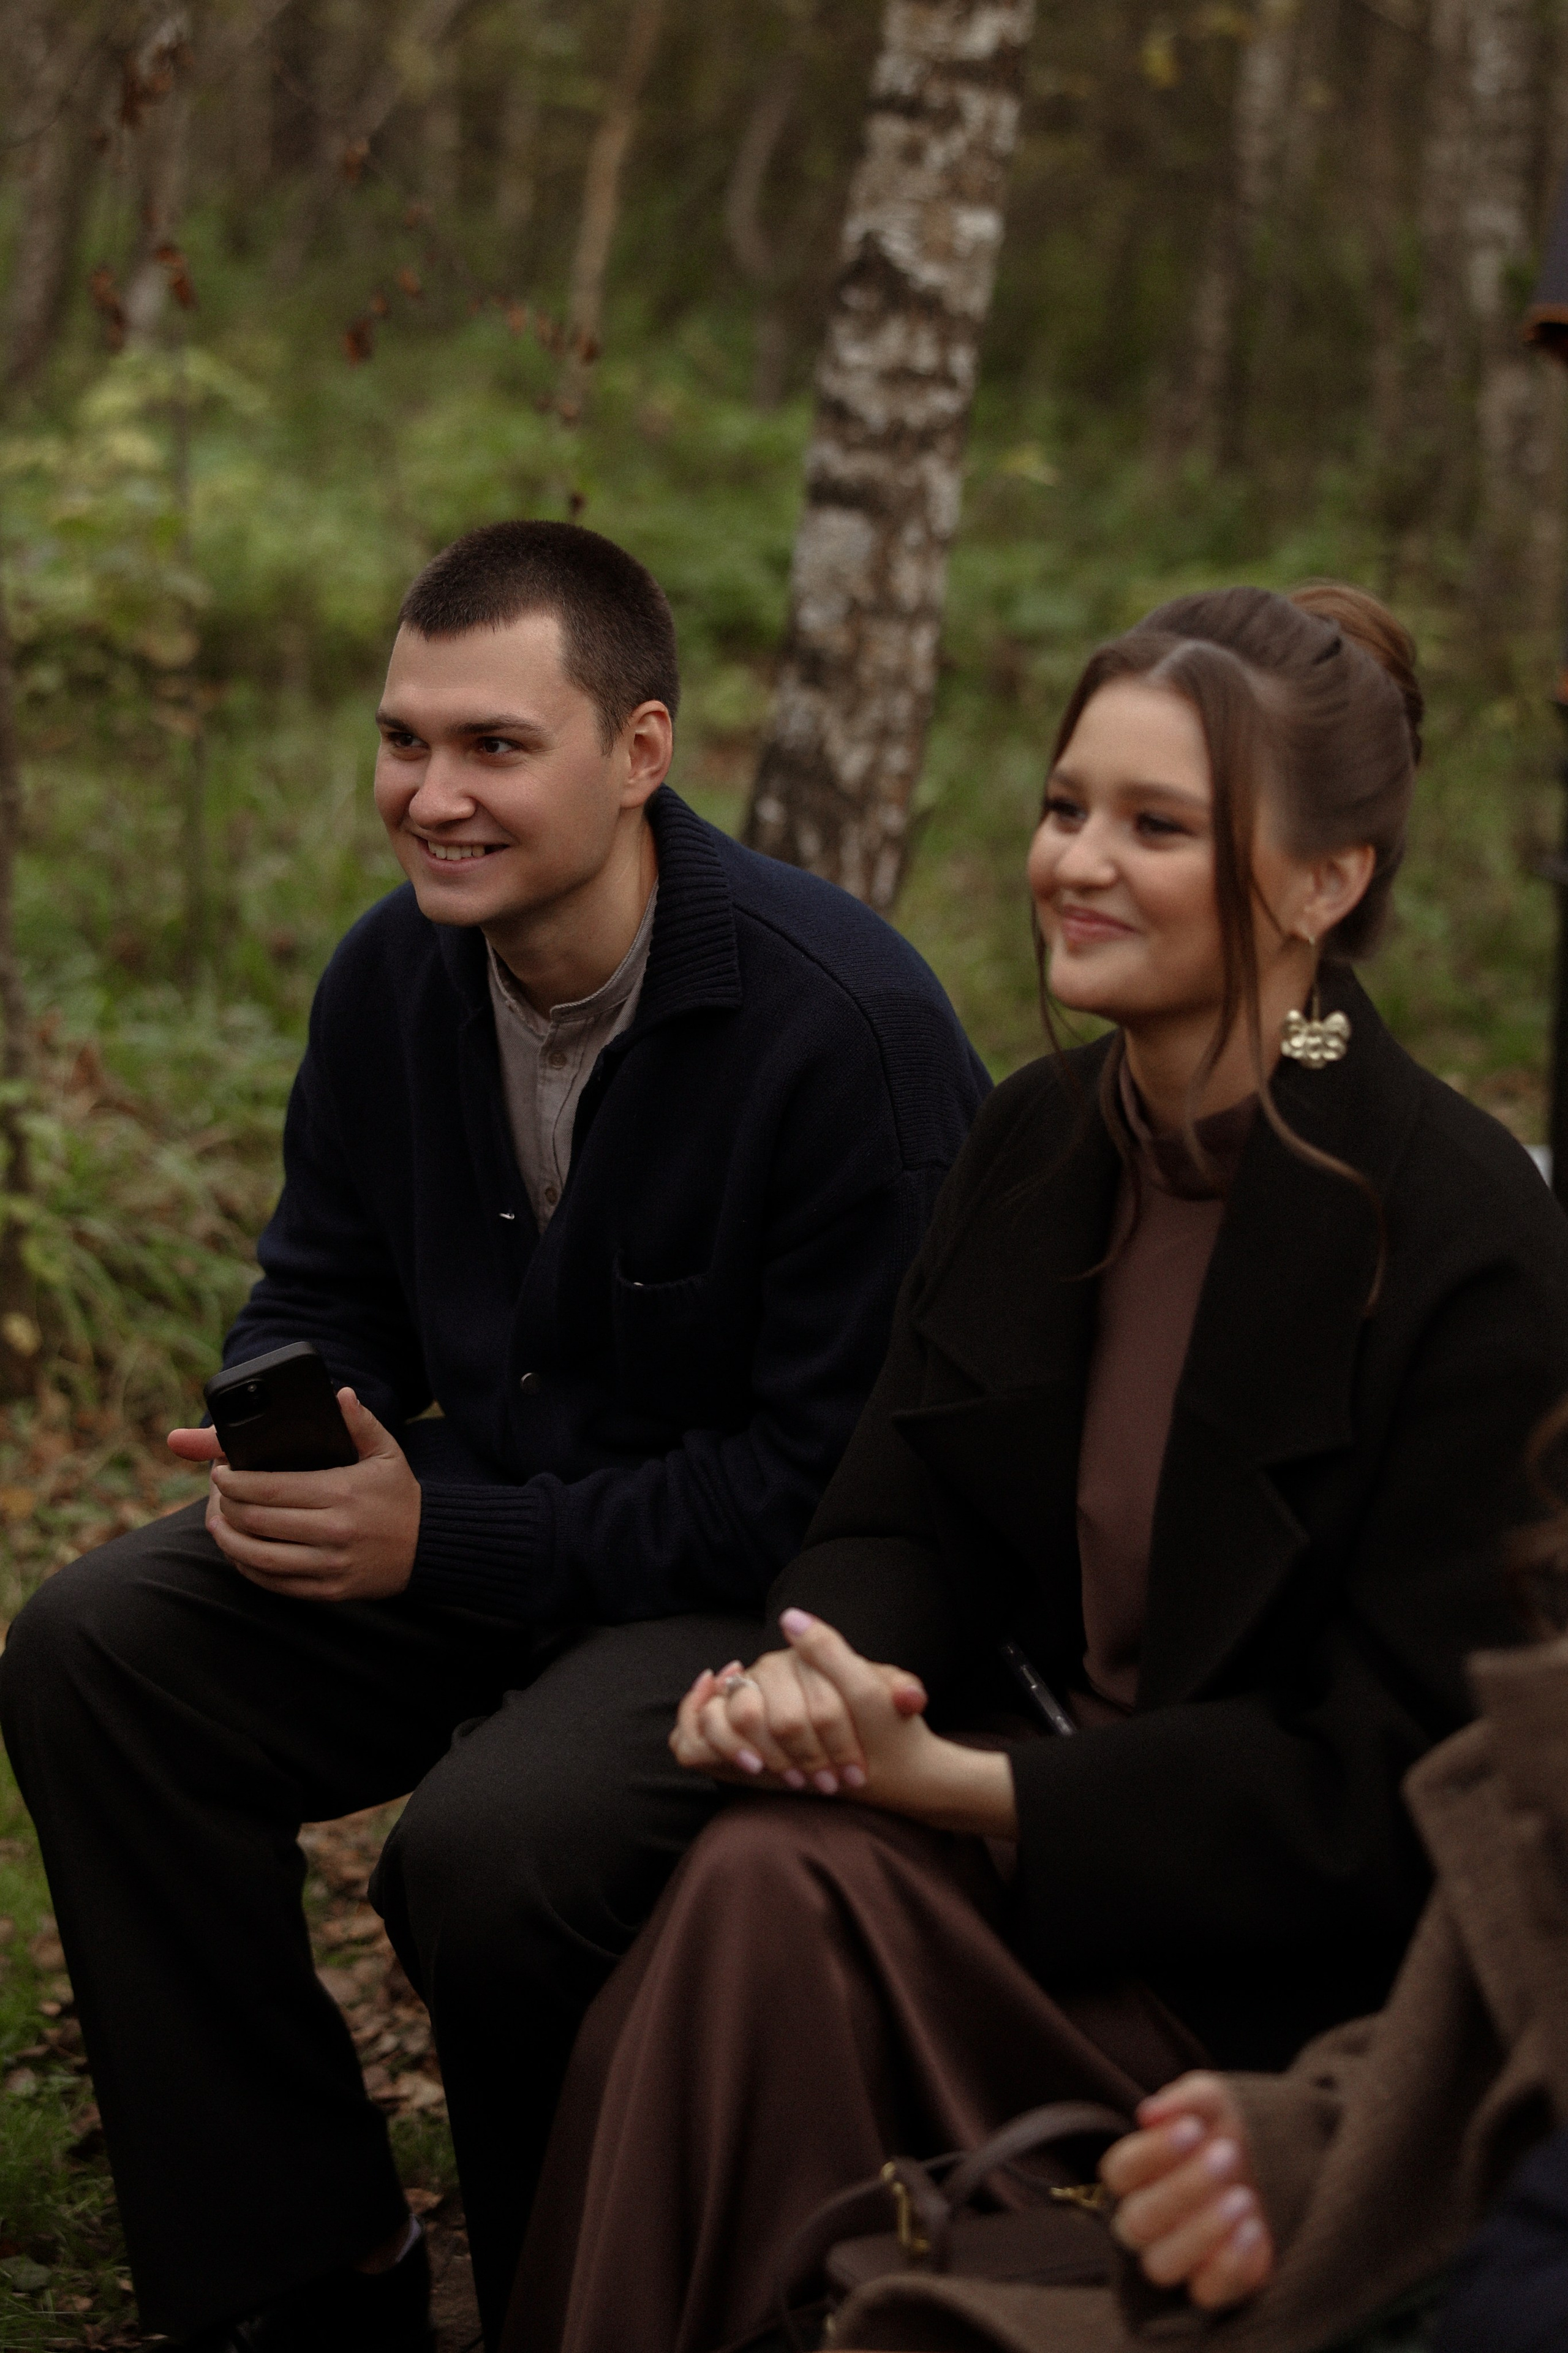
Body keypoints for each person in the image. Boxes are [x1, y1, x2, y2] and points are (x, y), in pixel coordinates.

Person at [502, 583, 1568, 2353]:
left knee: (773, 1901)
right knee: (755, 1871)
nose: (1077, 860)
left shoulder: (1462, 1236)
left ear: (1329, 880)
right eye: (1067, 805)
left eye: (1158, 825)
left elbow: (1399, 1791)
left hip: (1273, 1994)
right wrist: (816, 1683)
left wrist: (966, 1791)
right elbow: (902, 1510)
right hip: (1008, 1854)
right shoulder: (1043, 1131)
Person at [0, 520, 989, 2353]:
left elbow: (837, 1485)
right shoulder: (396, 981)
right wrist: (284, 1422)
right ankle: (305, 2279)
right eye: (404, 741)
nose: (431, 796)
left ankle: (576, 2301)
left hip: (764, 1593)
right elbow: (324, 1278)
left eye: (493, 748)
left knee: (489, 1851)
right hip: (497, 1531)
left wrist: (436, 1541)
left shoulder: (841, 1027)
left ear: (639, 752)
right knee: (94, 1652)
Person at [826, 1408, 1568, 2353]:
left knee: (796, 1891)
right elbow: (1482, 2033)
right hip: (1081, 1802)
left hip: (1250, 1930)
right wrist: (1294, 2148)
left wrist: (981, 1789)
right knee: (775, 1867)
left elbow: (1361, 1791)